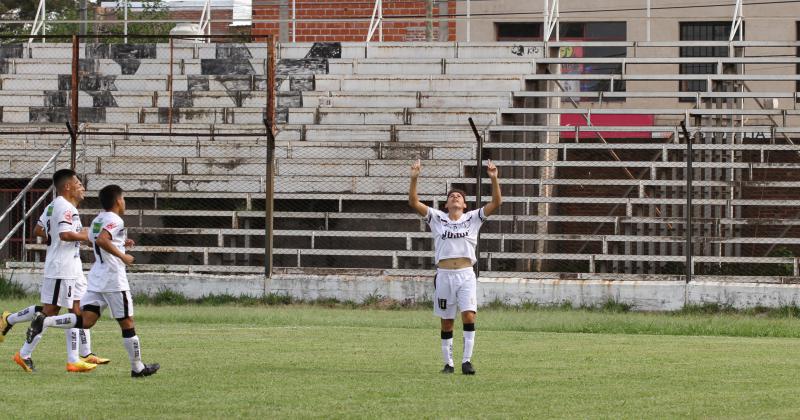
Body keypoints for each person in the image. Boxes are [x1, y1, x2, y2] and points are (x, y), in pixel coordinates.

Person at [27, 184, 160, 378]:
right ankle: (137, 367)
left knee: (86, 320)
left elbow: (94, 237)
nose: (124, 202)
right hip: (114, 279)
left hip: (97, 277)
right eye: (123, 199)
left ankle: (46, 321)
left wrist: (122, 243)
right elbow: (102, 240)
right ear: (117, 201)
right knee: (127, 322)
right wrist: (123, 257)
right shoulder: (116, 220)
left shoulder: (98, 219)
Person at [0, 168, 105, 373]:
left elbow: (39, 230)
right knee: (49, 312)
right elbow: (66, 235)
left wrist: (57, 236)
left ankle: (77, 358)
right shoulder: (65, 207)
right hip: (61, 268)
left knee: (76, 310)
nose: (82, 187)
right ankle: (23, 352)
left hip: (70, 266)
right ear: (68, 186)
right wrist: (88, 236)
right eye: (79, 183)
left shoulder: (56, 205)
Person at [408, 158, 502, 375]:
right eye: (451, 196)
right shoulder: (437, 218)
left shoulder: (473, 218)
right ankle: (448, 363)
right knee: (447, 321)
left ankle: (466, 361)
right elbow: (414, 202)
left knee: (469, 315)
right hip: (444, 275)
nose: (455, 197)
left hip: (465, 274)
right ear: (446, 204)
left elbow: (496, 202)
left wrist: (494, 179)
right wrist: (414, 178)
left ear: (465, 204)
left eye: (459, 196)